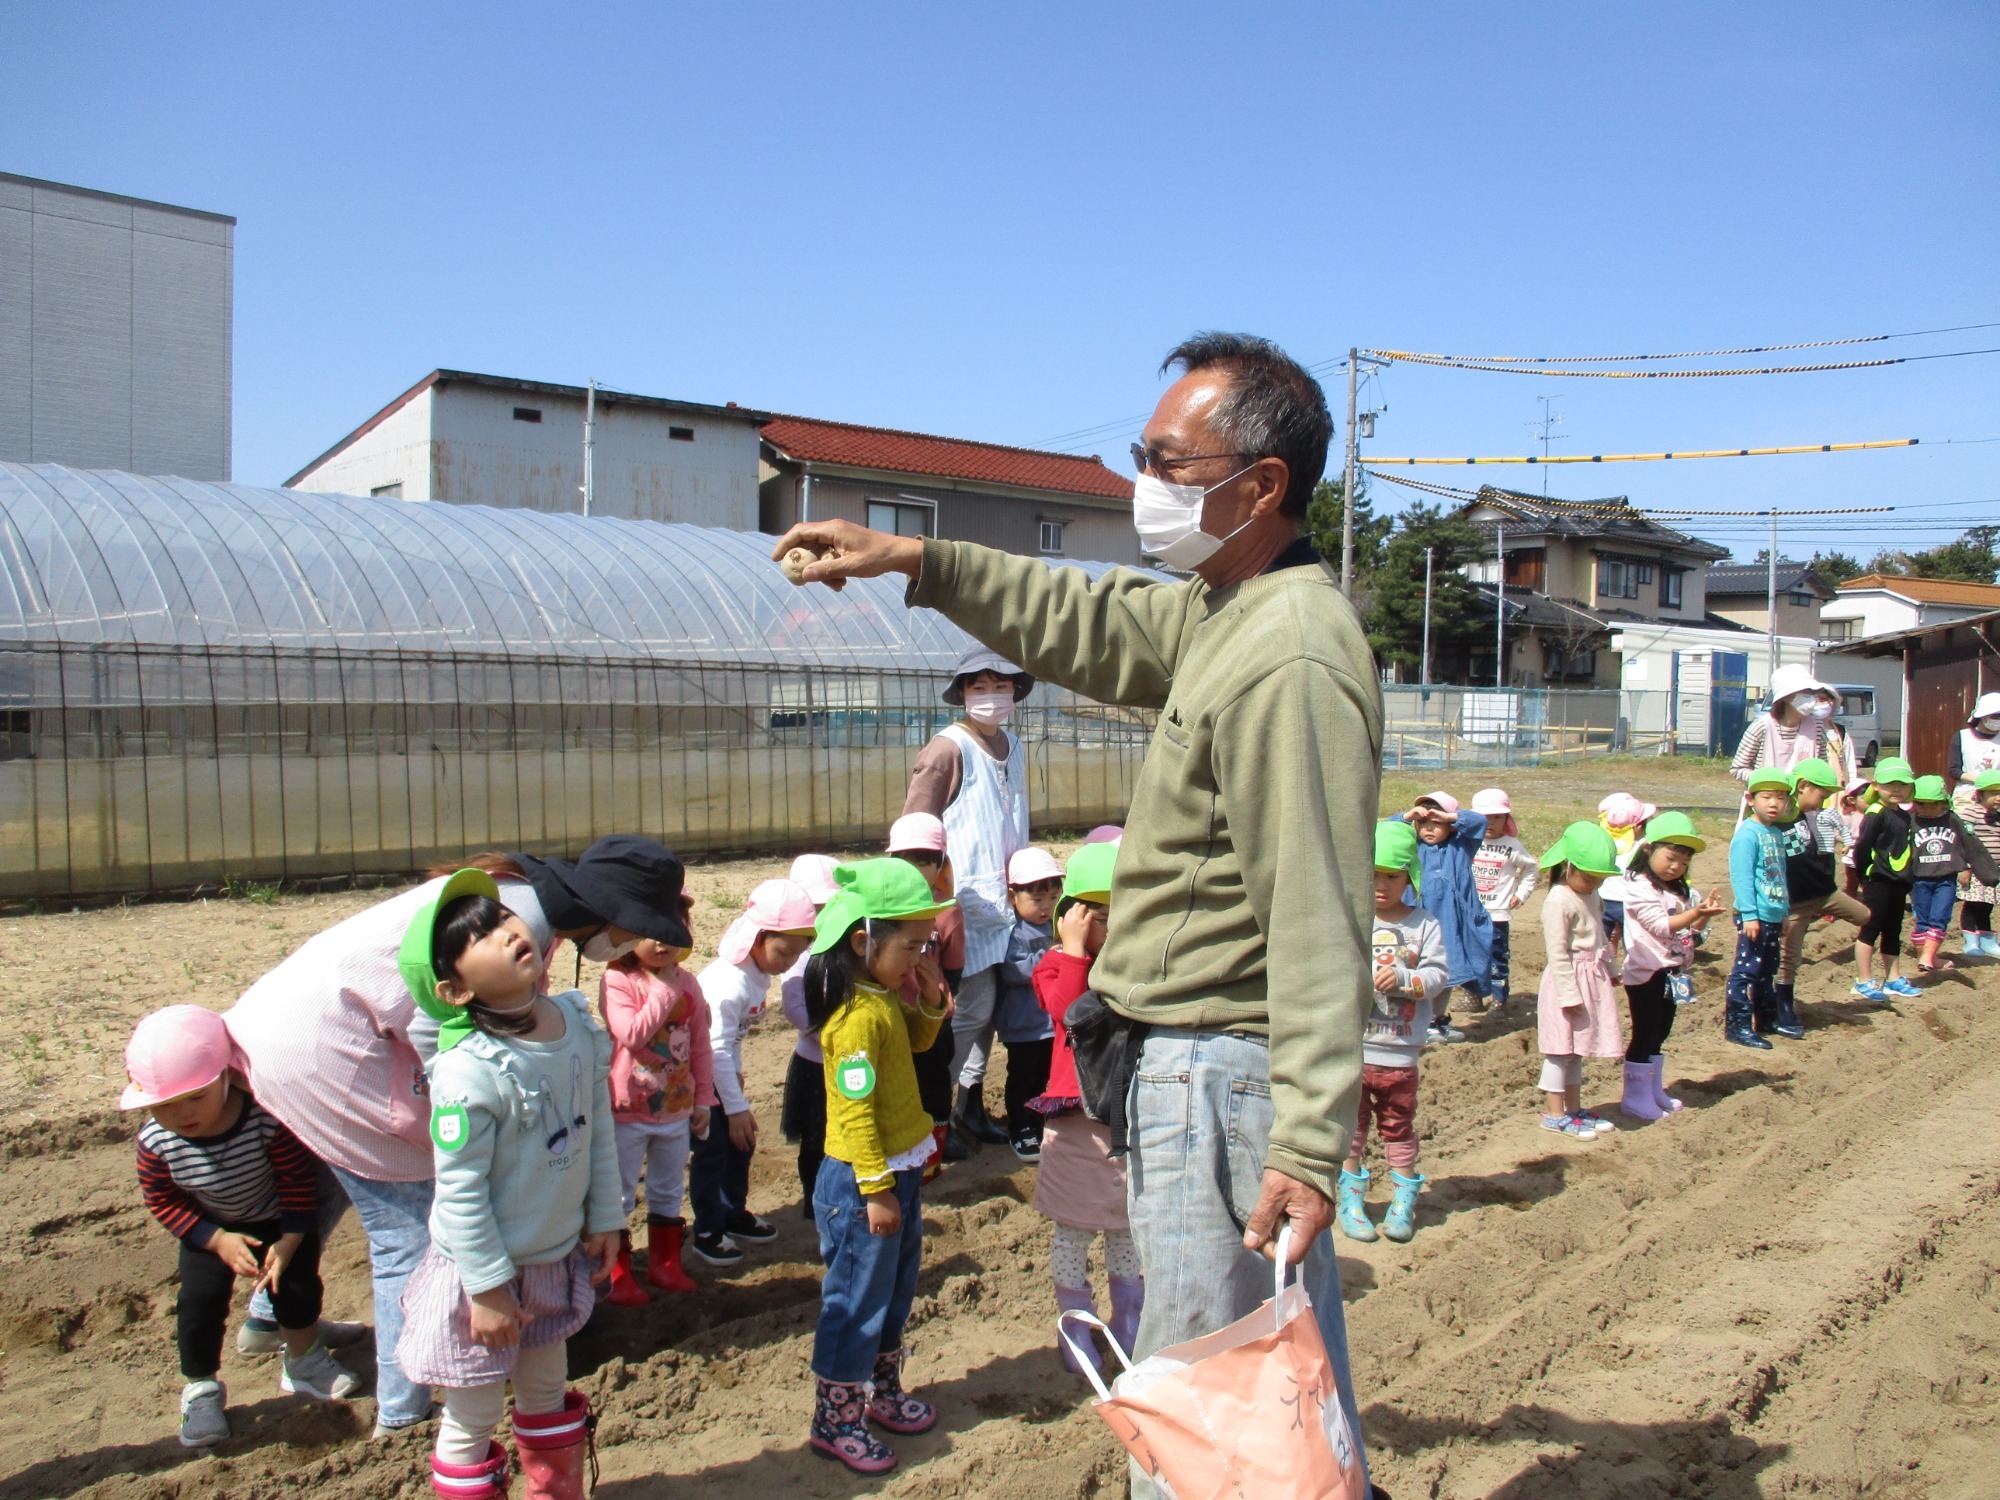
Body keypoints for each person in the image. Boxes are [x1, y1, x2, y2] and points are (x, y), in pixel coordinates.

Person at [774, 331, 1378, 1498]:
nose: (1141, 484)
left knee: (1212, 1400)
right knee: (1259, 1389)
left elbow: (1314, 912)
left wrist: (1306, 1141)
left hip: (1222, 1073)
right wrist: (911, 554)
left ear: (1258, 487)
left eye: (1167, 462)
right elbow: (1088, 616)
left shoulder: (1289, 650)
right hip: (1193, 1066)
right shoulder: (1224, 609)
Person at [225, 835, 692, 1436]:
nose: (627, 945)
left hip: (290, 1026)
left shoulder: (521, 903)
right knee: (409, 1223)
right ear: (613, 915)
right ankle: (404, 1410)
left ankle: (270, 1316)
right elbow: (435, 1030)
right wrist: (472, 1100)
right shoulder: (516, 925)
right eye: (633, 929)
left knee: (337, 1184)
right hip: (326, 1044)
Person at [392, 869, 623, 1500]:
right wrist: (488, 1290)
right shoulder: (469, 1072)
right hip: (482, 1278)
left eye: (500, 919)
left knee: (547, 1393)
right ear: (454, 988)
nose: (506, 932)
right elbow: (459, 1192)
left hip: (551, 1259)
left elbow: (596, 1125)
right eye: (482, 937)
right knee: (472, 1412)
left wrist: (606, 1216)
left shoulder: (573, 1023)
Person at [123, 1005, 359, 1448]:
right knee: (199, 1303)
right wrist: (214, 1239)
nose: (183, 1114)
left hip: (275, 1219)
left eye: (196, 1096)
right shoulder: (156, 1143)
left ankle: (303, 1360)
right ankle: (201, 1388)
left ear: (227, 1077)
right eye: (165, 1105)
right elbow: (162, 1200)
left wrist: (291, 1238)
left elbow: (295, 1179)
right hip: (210, 1229)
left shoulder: (263, 1119)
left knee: (297, 1286)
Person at [799, 860, 955, 1475]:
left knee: (893, 1290)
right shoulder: (854, 1018)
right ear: (865, 941)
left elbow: (915, 1045)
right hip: (864, 1179)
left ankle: (882, 1391)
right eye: (912, 944)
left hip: (898, 1171)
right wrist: (876, 1190)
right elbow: (855, 1114)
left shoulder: (882, 994)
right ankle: (836, 1418)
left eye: (926, 943)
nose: (920, 954)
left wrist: (933, 997)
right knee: (857, 1297)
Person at [904, 645, 1035, 1152]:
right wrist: (925, 901)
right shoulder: (947, 750)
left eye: (1000, 686)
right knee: (966, 1009)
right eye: (979, 687)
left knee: (991, 1010)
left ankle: (969, 1104)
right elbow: (916, 829)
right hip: (962, 904)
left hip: (1006, 899)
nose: (991, 697)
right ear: (962, 693)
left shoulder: (1013, 745)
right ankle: (929, 1118)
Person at [1025, 842, 1141, 1377]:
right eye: (1098, 916)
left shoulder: (1134, 965)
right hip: (1075, 1124)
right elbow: (1067, 1012)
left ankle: (1130, 1323)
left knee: (1125, 1229)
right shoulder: (1054, 966)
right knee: (1072, 1230)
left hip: (1125, 1118)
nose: (1111, 926)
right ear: (1071, 915)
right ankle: (1076, 1326)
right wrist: (1073, 950)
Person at [692, 881, 818, 1266]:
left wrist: (738, 1082)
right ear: (759, 937)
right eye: (784, 951)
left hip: (724, 1078)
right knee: (712, 1154)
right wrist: (734, 1107)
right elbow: (713, 1050)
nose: (787, 962)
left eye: (796, 954)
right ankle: (708, 1230)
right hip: (701, 1084)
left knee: (739, 1148)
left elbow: (731, 1042)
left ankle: (733, 1212)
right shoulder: (728, 984)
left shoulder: (755, 975)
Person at [1340, 821, 1447, 1243]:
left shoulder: (1424, 925)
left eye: (1392, 875)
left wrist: (1405, 979)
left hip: (1400, 1053)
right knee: (1352, 1131)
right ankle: (1352, 1201)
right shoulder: (1352, 919)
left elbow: (1438, 975)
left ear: (1410, 878)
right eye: (1373, 874)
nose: (1381, 885)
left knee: (1398, 1126)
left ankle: (1403, 1202)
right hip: (1355, 1050)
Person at [598, 932, 716, 1303]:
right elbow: (632, 1034)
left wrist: (703, 1099)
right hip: (628, 1110)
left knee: (668, 1188)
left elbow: (699, 1045)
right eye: (646, 932)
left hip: (675, 1108)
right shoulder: (617, 978)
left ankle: (665, 1263)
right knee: (619, 1193)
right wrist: (664, 992)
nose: (661, 941)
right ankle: (615, 1270)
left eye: (672, 928)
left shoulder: (689, 982)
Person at [1618, 814, 1723, 1121]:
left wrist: (1704, 915)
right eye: (1671, 858)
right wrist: (1695, 914)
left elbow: (1690, 934)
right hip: (1646, 971)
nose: (1676, 867)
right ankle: (1634, 1097)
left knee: (1661, 1032)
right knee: (1645, 1032)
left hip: (1672, 970)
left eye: (1683, 863)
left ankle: (1652, 1090)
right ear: (1648, 850)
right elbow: (1661, 925)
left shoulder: (1678, 890)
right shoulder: (1639, 887)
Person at [884, 814, 968, 1163]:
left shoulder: (947, 910)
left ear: (941, 864)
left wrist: (941, 998)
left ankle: (937, 1141)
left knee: (935, 1079)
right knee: (897, 1080)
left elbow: (954, 965)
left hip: (934, 1012)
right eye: (906, 858)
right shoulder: (882, 904)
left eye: (925, 860)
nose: (916, 868)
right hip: (891, 1013)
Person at [1535, 822, 1626, 1139]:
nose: (1593, 884)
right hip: (1568, 982)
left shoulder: (1591, 894)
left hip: (1591, 978)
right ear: (1568, 865)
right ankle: (1554, 1112)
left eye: (1599, 879)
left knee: (1577, 1050)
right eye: (1588, 877)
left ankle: (1574, 1109)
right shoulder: (1559, 900)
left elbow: (1601, 937)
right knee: (1559, 1050)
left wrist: (1613, 970)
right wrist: (1568, 994)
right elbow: (1557, 953)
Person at [1776, 760, 1872, 1025]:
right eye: (1822, 795)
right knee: (1789, 958)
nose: (1823, 802)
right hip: (1796, 901)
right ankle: (1783, 1005)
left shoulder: (1807, 816)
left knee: (1867, 917)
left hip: (1825, 892)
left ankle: (1871, 975)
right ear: (1803, 786)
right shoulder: (1782, 816)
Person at [780, 853, 845, 1215]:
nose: (824, 915)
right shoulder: (802, 957)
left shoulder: (845, 949)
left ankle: (837, 1192)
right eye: (816, 907)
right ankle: (812, 1197)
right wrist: (828, 1033)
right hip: (815, 1063)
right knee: (815, 1136)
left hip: (845, 1061)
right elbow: (793, 1005)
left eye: (830, 904)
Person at [1399, 792, 1490, 1038]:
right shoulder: (1411, 845)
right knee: (1416, 967)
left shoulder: (1461, 846)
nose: (1429, 829)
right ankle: (1418, 1020)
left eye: (1437, 824)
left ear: (1451, 826)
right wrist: (1407, 816)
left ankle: (1436, 1020)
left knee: (1447, 970)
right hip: (1418, 919)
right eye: (1424, 824)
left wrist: (1449, 816)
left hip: (1451, 922)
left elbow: (1479, 821)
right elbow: (1387, 831)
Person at [994, 847, 1061, 1161]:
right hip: (1022, 1024)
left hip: (1047, 1022)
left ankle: (1037, 1120)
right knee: (1021, 1076)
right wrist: (1050, 959)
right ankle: (1019, 1126)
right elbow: (1010, 969)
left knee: (1042, 1075)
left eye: (1052, 897)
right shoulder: (1014, 932)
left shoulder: (1053, 926)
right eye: (1037, 900)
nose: (1046, 907)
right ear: (1013, 896)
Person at [1728, 768, 1797, 1048]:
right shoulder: (1748, 834)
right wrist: (1749, 915)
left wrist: (1784, 913)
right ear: (1750, 799)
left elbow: (1779, 875)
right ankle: (1738, 1025)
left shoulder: (1776, 834)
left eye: (1780, 798)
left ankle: (1766, 1019)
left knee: (1768, 968)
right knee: (1747, 970)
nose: (1773, 804)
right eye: (1766, 797)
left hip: (1772, 913)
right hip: (1753, 916)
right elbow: (1742, 876)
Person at [1908, 774, 2000, 974]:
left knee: (1939, 917)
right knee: (1922, 919)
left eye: (1934, 805)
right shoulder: (1911, 821)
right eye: (1922, 805)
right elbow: (1899, 849)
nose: (1928, 810)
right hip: (1919, 879)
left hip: (1945, 879)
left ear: (1944, 803)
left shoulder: (1952, 819)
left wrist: (1988, 873)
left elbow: (1971, 845)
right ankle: (1929, 957)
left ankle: (1927, 956)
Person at [1852, 758, 1921, 1003]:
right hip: (1877, 880)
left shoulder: (1904, 816)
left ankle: (1893, 978)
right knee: (1871, 927)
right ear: (1877, 785)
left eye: (1903, 784)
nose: (1897, 789)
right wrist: (1864, 876)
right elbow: (1862, 848)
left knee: (1893, 928)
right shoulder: (1876, 813)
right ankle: (1863, 979)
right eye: (1890, 784)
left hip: (1898, 881)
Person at [1731, 663, 1852, 791]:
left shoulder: (1816, 726)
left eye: (1814, 694)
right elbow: (1737, 768)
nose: (1811, 700)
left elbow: (1821, 764)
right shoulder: (1762, 727)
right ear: (1786, 696)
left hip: (1803, 804)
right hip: (1768, 801)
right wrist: (1765, 779)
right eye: (1806, 693)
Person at [1470, 787, 1537, 1006]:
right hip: (1471, 911)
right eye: (1484, 817)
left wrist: (1521, 894)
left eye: (1497, 817)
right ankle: (1474, 996)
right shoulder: (1469, 842)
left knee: (1497, 957)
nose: (1490, 823)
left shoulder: (1512, 846)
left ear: (1506, 818)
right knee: (1470, 955)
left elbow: (1530, 869)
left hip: (1497, 913)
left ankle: (1499, 998)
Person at [1594, 792, 1657, 954]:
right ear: (1638, 828)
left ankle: (1599, 973)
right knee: (1633, 943)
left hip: (1602, 900)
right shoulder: (1644, 847)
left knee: (1599, 943)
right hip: (1629, 902)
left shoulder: (1604, 842)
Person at [1958, 769, 2000, 957]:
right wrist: (1965, 867)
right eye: (1993, 793)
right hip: (1976, 869)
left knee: (1987, 905)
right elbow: (1961, 842)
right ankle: (1971, 941)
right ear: (1979, 795)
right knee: (1972, 905)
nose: (1998, 798)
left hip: (1994, 870)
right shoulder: (1971, 814)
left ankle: (1987, 940)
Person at [1947, 691, 2000, 814]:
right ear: (1982, 715)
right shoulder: (1962, 736)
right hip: (1967, 795)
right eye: (1995, 716)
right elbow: (1954, 770)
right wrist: (1980, 781)